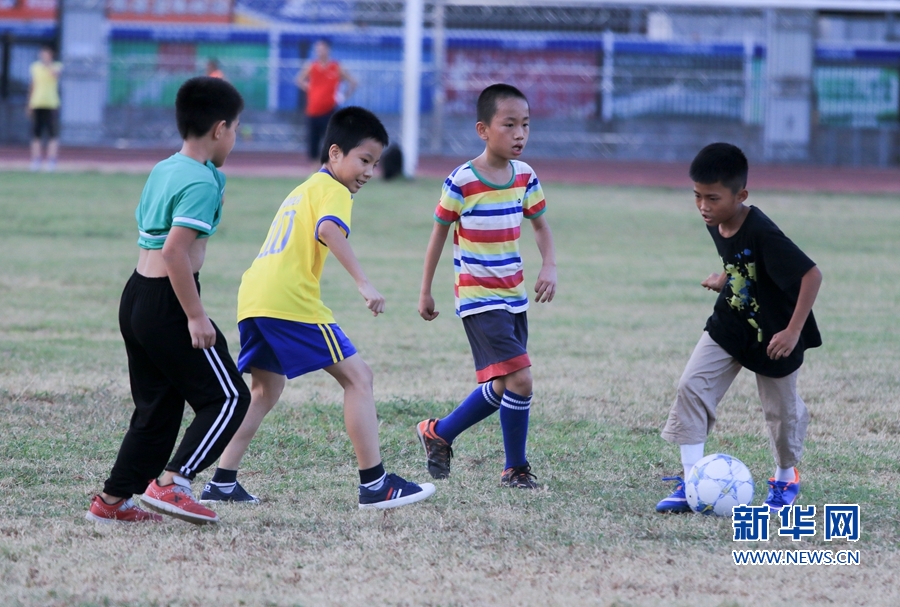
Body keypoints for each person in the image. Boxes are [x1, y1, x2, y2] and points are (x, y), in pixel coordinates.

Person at [200, 106, 435, 510]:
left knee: (265, 390)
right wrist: (363, 282)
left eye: (375, 164)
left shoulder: (304, 188)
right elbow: (327, 229)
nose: (368, 172)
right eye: (363, 160)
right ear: (335, 154)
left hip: (255, 296)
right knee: (359, 378)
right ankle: (375, 484)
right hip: (287, 300)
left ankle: (221, 482)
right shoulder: (334, 191)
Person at [85, 77, 251, 525]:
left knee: (157, 410)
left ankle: (112, 502)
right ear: (219, 129)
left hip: (136, 296)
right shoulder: (200, 180)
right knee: (230, 398)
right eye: (235, 129)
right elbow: (174, 250)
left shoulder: (167, 167)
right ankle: (173, 482)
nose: (235, 138)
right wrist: (195, 315)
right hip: (169, 302)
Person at [655, 142, 822, 514]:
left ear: (741, 195)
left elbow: (811, 275)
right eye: (697, 196)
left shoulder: (762, 231)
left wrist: (793, 331)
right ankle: (693, 483)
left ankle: (784, 478)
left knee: (781, 415)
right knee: (692, 387)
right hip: (732, 322)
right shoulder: (716, 220)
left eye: (712, 198)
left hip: (776, 333)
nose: (703, 206)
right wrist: (727, 280)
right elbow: (744, 264)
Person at [415, 83, 557, 489]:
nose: (519, 134)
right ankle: (515, 468)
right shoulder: (461, 181)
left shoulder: (526, 177)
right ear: (483, 129)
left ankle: (439, 432)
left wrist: (549, 265)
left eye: (525, 125)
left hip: (514, 297)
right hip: (478, 298)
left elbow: (542, 227)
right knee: (522, 378)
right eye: (509, 124)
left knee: (503, 382)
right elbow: (438, 236)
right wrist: (425, 290)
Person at [295, 39, 357, 162]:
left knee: (331, 143)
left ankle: (329, 171)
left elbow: (353, 82)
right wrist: (310, 88)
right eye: (317, 49)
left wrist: (344, 96)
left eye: (322, 49)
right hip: (312, 111)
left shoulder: (336, 67)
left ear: (328, 50)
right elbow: (299, 80)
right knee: (313, 144)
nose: (319, 52)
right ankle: (314, 172)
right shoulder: (312, 66)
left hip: (329, 111)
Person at [27, 45, 62, 172]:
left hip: (51, 104)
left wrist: (48, 65)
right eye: (42, 54)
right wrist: (29, 103)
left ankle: (51, 160)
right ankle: (36, 160)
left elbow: (55, 75)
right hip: (37, 103)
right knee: (36, 133)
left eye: (46, 54)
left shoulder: (57, 66)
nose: (44, 57)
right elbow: (32, 84)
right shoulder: (35, 67)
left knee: (52, 133)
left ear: (51, 55)